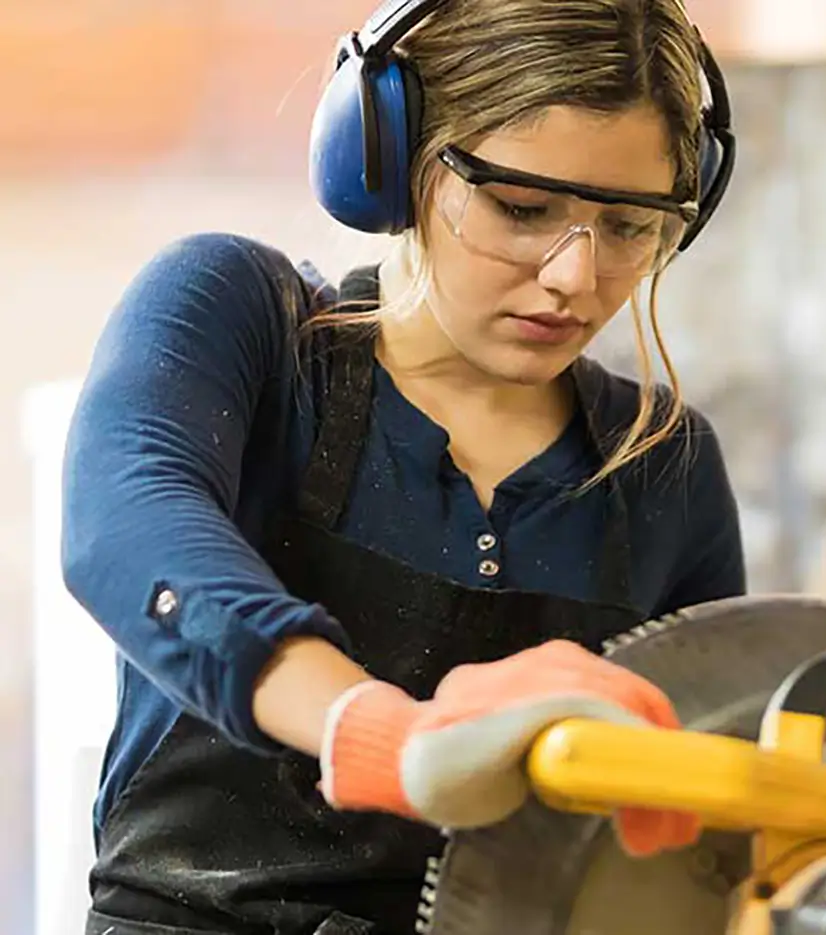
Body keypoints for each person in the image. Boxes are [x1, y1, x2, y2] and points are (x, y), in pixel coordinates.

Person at [59, 0, 746, 931]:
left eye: (629, 226)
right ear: (391, 162)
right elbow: (125, 524)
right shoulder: (245, 322)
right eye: (522, 209)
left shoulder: (666, 468)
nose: (574, 278)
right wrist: (383, 735)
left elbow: (698, 833)